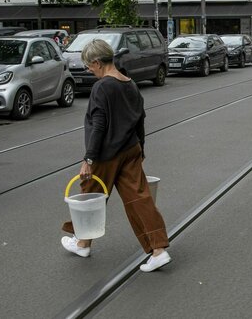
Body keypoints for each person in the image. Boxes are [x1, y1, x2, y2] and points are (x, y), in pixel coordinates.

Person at [61, 39, 171, 273]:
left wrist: (89, 158)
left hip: (106, 153)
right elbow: (140, 118)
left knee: (90, 196)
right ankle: (158, 249)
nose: (89, 70)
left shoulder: (103, 87)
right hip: (130, 149)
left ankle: (82, 243)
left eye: (89, 66)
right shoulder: (130, 83)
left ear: (98, 63)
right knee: (139, 199)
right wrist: (141, 148)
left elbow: (99, 124)